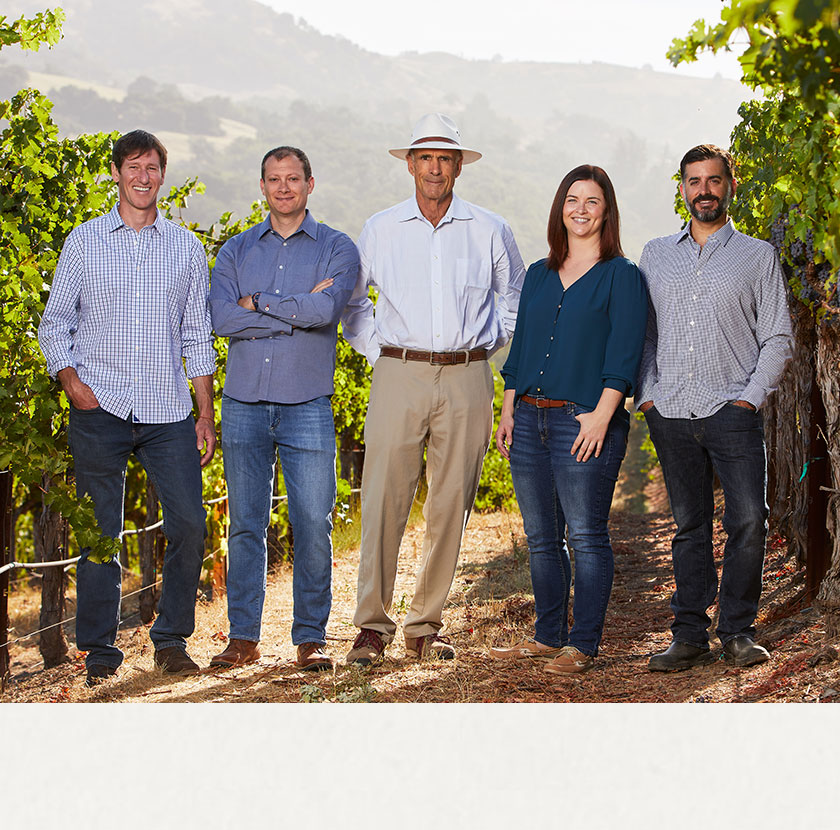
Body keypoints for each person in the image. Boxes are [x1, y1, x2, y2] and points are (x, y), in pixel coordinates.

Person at [340, 113, 525, 664]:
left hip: (469, 375)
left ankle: (425, 625)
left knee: (452, 503)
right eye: (426, 158)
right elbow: (353, 303)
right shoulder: (380, 228)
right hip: (399, 372)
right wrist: (381, 353)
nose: (436, 168)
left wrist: (485, 349)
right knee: (382, 500)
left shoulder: (491, 229)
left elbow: (515, 300)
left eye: (446, 158)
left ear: (459, 166)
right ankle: (371, 625)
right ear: (411, 164)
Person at [38, 130, 216, 686]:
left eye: (153, 168)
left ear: (163, 175)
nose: (143, 177)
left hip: (168, 412)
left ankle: (170, 640)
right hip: (100, 408)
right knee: (100, 533)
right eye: (133, 167)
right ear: (116, 173)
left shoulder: (185, 247)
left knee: (189, 522)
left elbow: (197, 334)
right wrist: (72, 384)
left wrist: (205, 412)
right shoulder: (84, 242)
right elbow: (53, 326)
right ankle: (99, 653)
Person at [637, 144, 793, 671]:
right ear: (681, 188)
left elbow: (778, 337)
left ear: (730, 185)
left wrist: (748, 399)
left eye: (714, 180)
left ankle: (737, 631)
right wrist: (649, 396)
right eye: (694, 181)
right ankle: (688, 634)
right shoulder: (656, 254)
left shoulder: (757, 256)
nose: (704, 189)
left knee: (749, 520)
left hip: (733, 411)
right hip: (672, 411)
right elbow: (644, 335)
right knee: (689, 526)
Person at [489, 165, 648, 674]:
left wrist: (603, 415)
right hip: (529, 419)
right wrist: (508, 406)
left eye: (592, 201)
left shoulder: (622, 276)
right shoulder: (538, 273)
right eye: (572, 199)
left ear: (607, 211)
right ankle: (546, 635)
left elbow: (624, 355)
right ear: (561, 207)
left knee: (585, 536)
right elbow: (520, 350)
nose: (580, 209)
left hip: (584, 421)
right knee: (541, 538)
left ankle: (583, 645)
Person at [208, 146, 358, 672]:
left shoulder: (338, 248)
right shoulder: (235, 251)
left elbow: (326, 311)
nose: (284, 188)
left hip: (308, 405)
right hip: (243, 403)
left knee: (312, 523)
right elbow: (222, 319)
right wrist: (294, 309)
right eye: (274, 179)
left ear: (310, 184)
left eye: (293, 179)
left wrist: (260, 303)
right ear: (263, 186)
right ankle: (243, 637)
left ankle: (311, 637)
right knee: (245, 524)